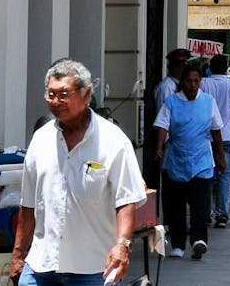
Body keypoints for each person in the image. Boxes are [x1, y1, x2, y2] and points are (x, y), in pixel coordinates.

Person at [10, 58, 146, 286]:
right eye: (51, 95)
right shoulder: (41, 139)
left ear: (86, 94)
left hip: (93, 269)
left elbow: (127, 200)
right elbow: (28, 206)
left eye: (64, 94)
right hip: (41, 266)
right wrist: (17, 255)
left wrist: (122, 245)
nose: (56, 101)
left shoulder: (113, 141)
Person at [153, 63, 223, 261]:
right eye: (189, 81)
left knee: (199, 203)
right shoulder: (172, 102)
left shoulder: (208, 101)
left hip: (201, 159)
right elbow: (162, 126)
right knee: (176, 205)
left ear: (200, 82)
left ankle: (199, 239)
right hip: (176, 158)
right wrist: (159, 147)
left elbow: (216, 129)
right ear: (182, 82)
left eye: (196, 81)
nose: (193, 85)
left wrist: (221, 155)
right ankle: (177, 243)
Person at [198, 55, 230, 228]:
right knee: (225, 176)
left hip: (206, 137)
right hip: (226, 137)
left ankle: (207, 213)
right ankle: (222, 215)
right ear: (226, 67)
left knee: (207, 176)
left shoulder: (203, 83)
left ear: (211, 67)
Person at [146, 49, 191, 188]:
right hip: (168, 142)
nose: (183, 68)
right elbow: (163, 118)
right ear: (172, 67)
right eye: (180, 65)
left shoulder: (181, 86)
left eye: (184, 65)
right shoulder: (167, 87)